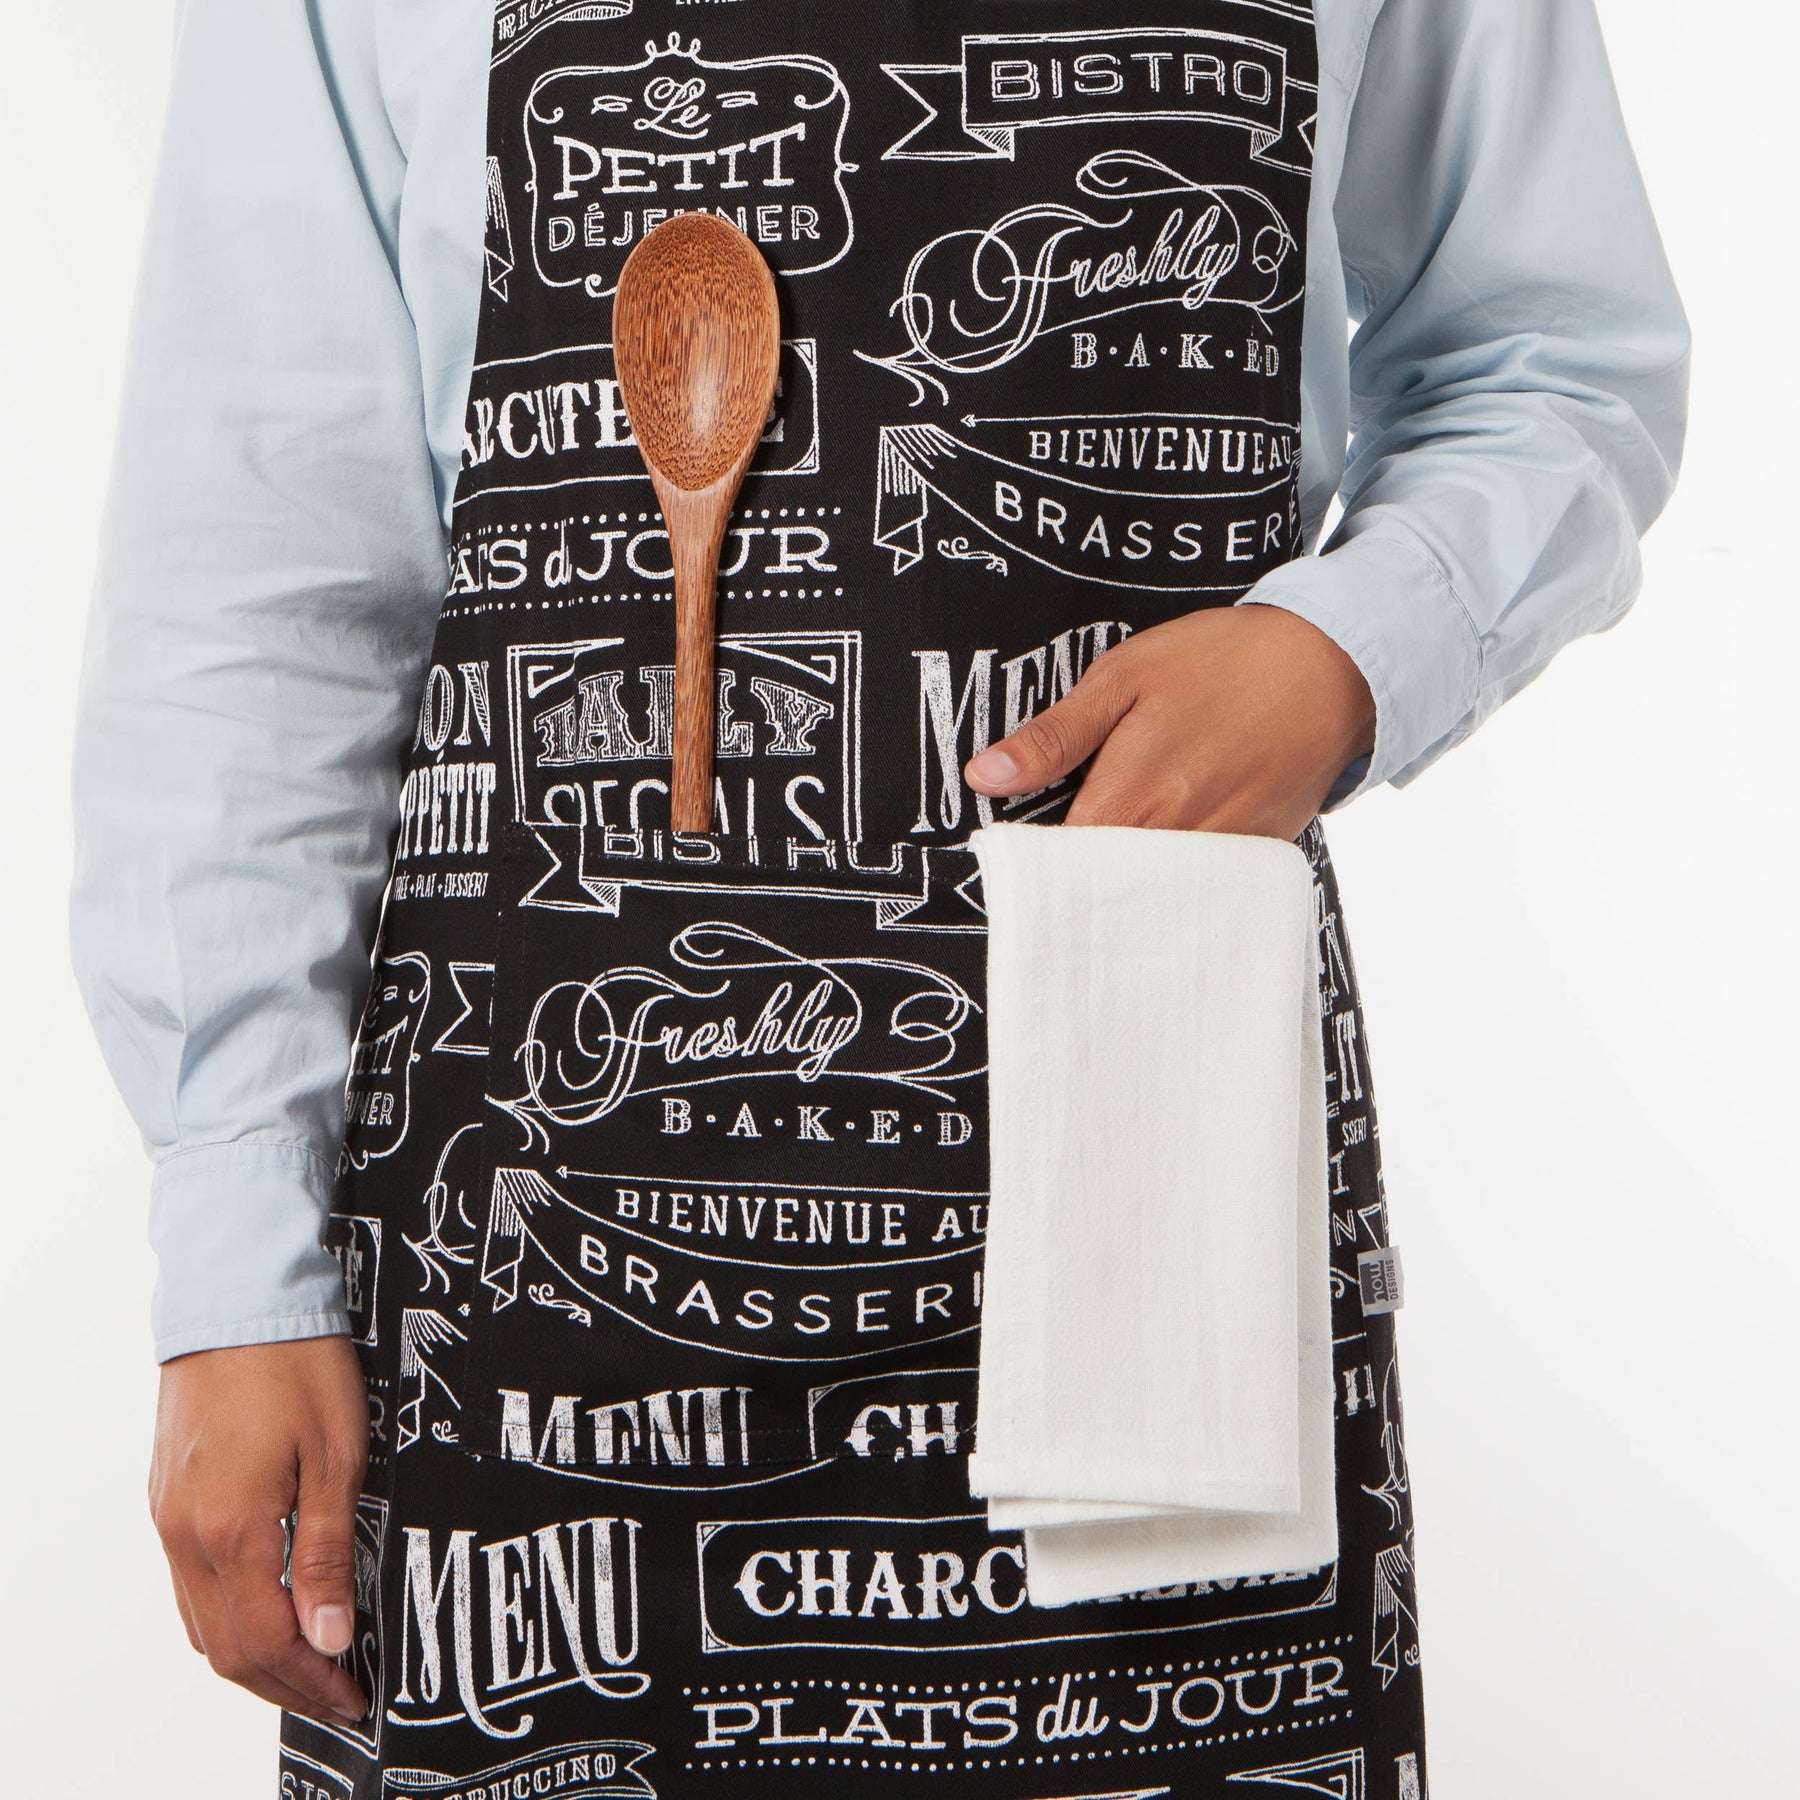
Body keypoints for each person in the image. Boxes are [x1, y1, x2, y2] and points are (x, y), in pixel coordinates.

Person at [70, 1, 1688, 1794]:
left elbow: (1560, 353)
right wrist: (237, 1260)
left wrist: (1345, 653)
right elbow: (263, 579)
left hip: (1166, 1205)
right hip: (527, 1263)